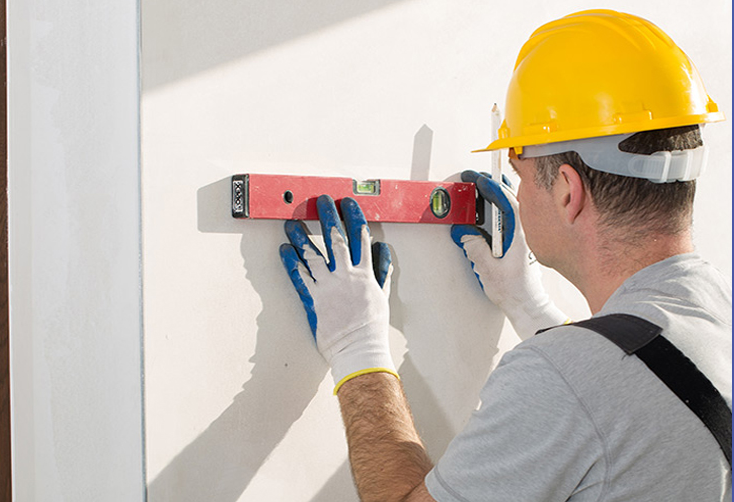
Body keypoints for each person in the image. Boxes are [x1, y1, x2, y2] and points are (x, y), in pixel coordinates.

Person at [279, 9, 731, 501]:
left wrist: (357, 350)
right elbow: (633, 391)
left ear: (567, 192)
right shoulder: (717, 317)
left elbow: (589, 391)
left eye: (519, 171)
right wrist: (529, 307)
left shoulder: (561, 378)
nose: (517, 192)